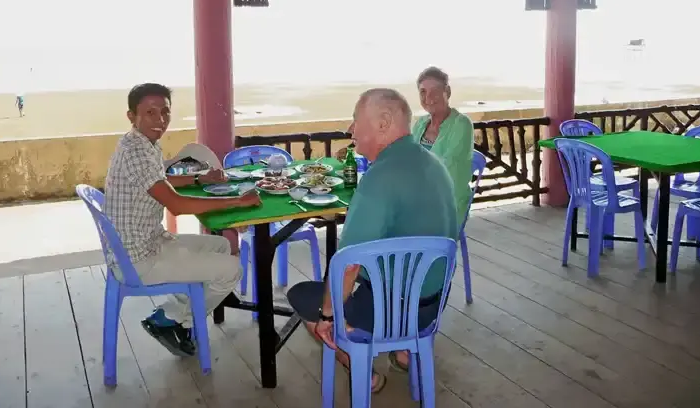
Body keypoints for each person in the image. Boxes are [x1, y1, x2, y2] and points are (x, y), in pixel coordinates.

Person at [286, 88, 458, 393]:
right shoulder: (433, 164)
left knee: (302, 294)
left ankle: (364, 371)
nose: (351, 129)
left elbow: (349, 264)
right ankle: (406, 353)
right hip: (433, 305)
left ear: (383, 123)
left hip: (394, 311)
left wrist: (329, 315)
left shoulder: (379, 178)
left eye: (356, 120)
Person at [104, 82, 261, 357]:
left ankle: (175, 312)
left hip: (146, 242)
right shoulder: (137, 152)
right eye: (150, 112)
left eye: (165, 112)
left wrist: (201, 178)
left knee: (223, 248)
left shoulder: (140, 143)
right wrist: (238, 200)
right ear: (131, 116)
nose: (160, 120)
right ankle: (175, 320)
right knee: (232, 270)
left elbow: (161, 180)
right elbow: (176, 204)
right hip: (139, 259)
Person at [411, 67, 474, 220]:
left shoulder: (461, 124)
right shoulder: (421, 124)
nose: (428, 97)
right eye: (423, 92)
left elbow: (447, 172)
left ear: (448, 92)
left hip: (447, 208)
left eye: (435, 91)